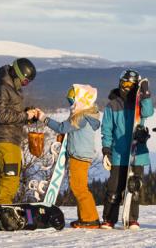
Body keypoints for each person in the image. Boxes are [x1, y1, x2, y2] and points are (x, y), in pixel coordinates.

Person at [36, 84, 101, 229]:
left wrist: (43, 118)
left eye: (73, 101)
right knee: (79, 187)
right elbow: (71, 132)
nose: (71, 105)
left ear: (82, 101)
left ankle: (91, 219)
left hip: (79, 156)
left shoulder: (82, 116)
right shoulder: (86, 114)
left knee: (79, 188)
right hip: (81, 154)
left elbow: (62, 127)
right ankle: (85, 218)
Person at [100, 69, 154, 230]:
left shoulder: (140, 104)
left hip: (137, 153)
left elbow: (148, 111)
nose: (128, 87)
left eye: (132, 85)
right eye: (125, 83)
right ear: (120, 83)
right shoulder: (112, 105)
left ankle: (132, 219)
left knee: (134, 187)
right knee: (114, 188)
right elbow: (107, 130)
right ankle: (109, 219)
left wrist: (145, 92)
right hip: (118, 154)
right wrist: (106, 150)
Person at [0, 58, 37, 204]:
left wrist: (29, 116)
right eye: (25, 81)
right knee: (9, 178)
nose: (24, 85)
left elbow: (12, 112)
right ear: (17, 74)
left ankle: (3, 207)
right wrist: (24, 115)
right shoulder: (1, 87)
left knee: (12, 178)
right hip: (4, 139)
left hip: (12, 139)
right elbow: (1, 115)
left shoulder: (11, 88)